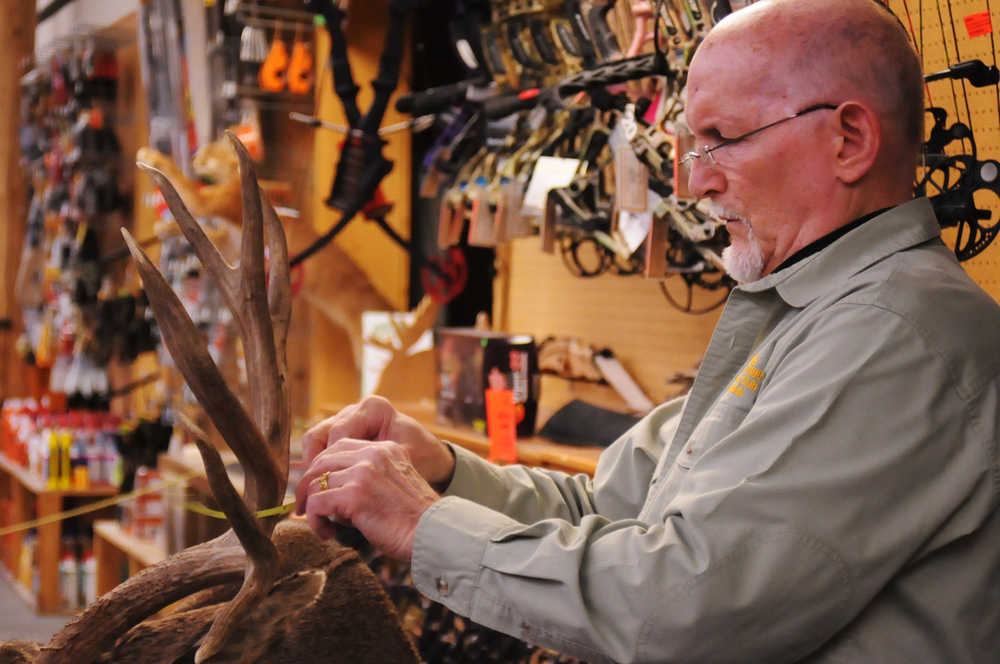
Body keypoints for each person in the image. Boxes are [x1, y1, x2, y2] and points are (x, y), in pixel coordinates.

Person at [295, 0, 1000, 661]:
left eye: (723, 139)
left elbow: (685, 601)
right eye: (694, 147)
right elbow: (609, 506)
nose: (696, 184)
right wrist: (441, 473)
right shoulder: (804, 314)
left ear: (850, 139)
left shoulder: (896, 335)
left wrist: (425, 527)